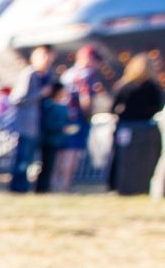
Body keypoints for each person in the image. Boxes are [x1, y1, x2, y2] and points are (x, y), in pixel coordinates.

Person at [110, 53, 164, 195]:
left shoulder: (125, 85)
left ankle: (120, 186)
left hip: (126, 126)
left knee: (123, 158)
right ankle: (140, 185)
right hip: (145, 127)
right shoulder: (153, 87)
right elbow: (158, 106)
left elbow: (113, 106)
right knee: (144, 158)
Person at [53, 45, 104, 191]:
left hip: (62, 117)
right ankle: (65, 185)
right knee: (72, 151)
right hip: (77, 118)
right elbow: (86, 100)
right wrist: (88, 114)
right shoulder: (87, 75)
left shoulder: (68, 73)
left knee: (61, 152)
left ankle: (55, 182)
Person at [8, 46, 58, 193]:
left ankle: (41, 188)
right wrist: (40, 93)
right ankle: (18, 189)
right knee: (23, 159)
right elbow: (17, 98)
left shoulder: (50, 75)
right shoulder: (29, 74)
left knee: (41, 159)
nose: (46, 59)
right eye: (43, 55)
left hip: (44, 123)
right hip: (27, 125)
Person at [40, 81, 70, 194]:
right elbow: (49, 123)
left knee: (54, 165)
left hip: (59, 140)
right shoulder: (49, 105)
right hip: (50, 140)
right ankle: (43, 188)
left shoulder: (63, 106)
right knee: (47, 165)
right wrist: (60, 127)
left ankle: (52, 186)